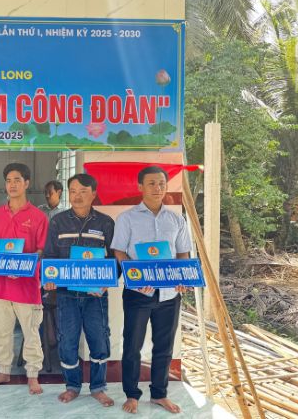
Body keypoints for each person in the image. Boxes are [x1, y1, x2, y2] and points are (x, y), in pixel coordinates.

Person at [111, 166, 192, 415]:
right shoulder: (127, 218)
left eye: (161, 183)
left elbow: (182, 254)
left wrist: (180, 277)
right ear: (140, 187)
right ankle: (132, 395)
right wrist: (136, 277)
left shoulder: (176, 220)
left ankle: (159, 394)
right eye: (151, 184)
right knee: (132, 345)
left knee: (164, 346)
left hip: (169, 294)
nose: (157, 188)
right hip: (139, 293)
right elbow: (119, 251)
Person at [42, 174, 115, 406]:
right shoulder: (58, 222)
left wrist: (105, 283)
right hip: (66, 295)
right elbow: (50, 257)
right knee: (67, 342)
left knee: (99, 340)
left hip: (96, 296)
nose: (77, 195)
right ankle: (72, 386)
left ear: (93, 193)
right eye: (73, 191)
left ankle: (98, 387)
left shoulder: (105, 223)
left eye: (83, 191)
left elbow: (116, 259)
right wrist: (49, 279)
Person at [0, 163, 48, 395]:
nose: (12, 184)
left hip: (27, 287)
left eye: (17, 180)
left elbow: (42, 250)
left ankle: (33, 374)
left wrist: (22, 267)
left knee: (31, 332)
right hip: (1, 286)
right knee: (1, 331)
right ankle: (3, 370)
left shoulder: (38, 217)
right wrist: (0, 263)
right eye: (9, 180)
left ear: (26, 183)